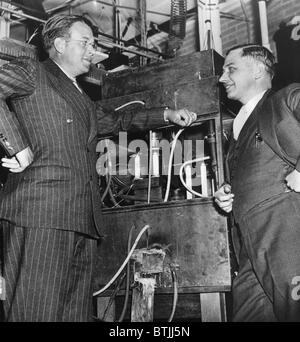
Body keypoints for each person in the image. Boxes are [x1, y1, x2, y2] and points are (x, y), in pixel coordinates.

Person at [0, 14, 196, 322]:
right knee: (35, 312)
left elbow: (117, 120)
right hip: (41, 213)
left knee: (75, 314)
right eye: (85, 42)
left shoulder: (79, 96)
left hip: (81, 219)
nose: (92, 50)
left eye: (94, 43)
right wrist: (16, 145)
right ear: (60, 44)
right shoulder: (34, 73)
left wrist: (166, 114)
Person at [214, 43, 300, 321]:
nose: (222, 77)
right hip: (250, 244)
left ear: (259, 70)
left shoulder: (283, 99)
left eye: (231, 69)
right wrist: (228, 191)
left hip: (285, 233)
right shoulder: (239, 125)